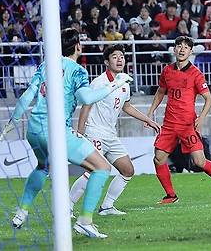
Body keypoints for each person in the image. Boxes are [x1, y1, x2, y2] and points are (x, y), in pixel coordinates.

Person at [2, 28, 133, 239]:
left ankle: (22, 211)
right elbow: (86, 99)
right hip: (56, 131)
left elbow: (27, 96)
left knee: (43, 166)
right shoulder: (77, 70)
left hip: (34, 129)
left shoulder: (45, 65)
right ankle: (85, 221)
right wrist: (115, 84)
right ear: (78, 46)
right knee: (102, 168)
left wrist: (14, 120)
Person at [69, 44, 161, 216]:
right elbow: (86, 106)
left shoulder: (124, 82)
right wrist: (80, 133)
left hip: (110, 135)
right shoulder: (99, 82)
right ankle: (67, 206)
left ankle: (107, 207)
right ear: (106, 61)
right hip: (94, 131)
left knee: (127, 170)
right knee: (93, 171)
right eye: (114, 56)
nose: (119, 59)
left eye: (122, 56)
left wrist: (148, 120)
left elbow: (127, 106)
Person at [147, 36, 211, 204]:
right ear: (174, 49)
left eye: (186, 47)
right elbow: (160, 92)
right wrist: (149, 113)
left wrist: (201, 117)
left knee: (199, 161)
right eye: (179, 46)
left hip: (187, 125)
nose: (182, 49)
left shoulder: (196, 74)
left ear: (191, 51)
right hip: (169, 125)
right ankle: (171, 195)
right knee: (158, 159)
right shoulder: (167, 71)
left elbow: (208, 98)